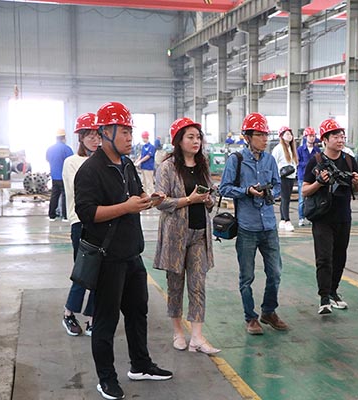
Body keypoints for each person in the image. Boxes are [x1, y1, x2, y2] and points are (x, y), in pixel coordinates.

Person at [74, 102, 172, 400]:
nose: (130, 137)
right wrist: (125, 207)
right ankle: (106, 379)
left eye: (130, 131)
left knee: (138, 311)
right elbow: (87, 214)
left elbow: (136, 195)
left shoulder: (127, 164)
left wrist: (149, 199)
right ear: (106, 132)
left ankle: (140, 365)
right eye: (124, 131)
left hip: (131, 254)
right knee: (106, 321)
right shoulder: (90, 170)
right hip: (107, 258)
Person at [154, 117, 220, 355]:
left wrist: (208, 199)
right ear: (178, 141)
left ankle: (197, 338)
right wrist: (189, 200)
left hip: (199, 234)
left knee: (198, 285)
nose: (196, 141)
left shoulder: (203, 164)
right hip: (176, 236)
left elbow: (211, 198)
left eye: (198, 137)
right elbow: (160, 202)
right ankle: (178, 332)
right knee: (175, 285)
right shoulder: (167, 167)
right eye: (190, 137)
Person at [219, 112, 289, 335]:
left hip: (269, 226)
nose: (265, 139)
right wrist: (246, 191)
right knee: (247, 276)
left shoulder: (269, 160)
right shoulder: (236, 160)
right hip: (247, 228)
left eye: (266, 134)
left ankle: (269, 311)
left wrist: (271, 193)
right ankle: (251, 317)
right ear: (247, 137)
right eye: (260, 134)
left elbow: (277, 185)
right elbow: (224, 188)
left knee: (275, 272)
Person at [302, 119, 358, 315]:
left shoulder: (349, 160)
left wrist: (357, 181)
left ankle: (333, 292)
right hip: (322, 217)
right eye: (336, 137)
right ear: (325, 139)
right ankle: (324, 298)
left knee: (340, 256)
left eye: (342, 137)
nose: (340, 140)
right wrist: (319, 182)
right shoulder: (316, 161)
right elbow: (304, 190)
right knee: (324, 258)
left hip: (343, 216)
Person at [61, 112, 101, 337]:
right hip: (81, 223)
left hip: (103, 222)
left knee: (101, 273)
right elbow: (83, 193)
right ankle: (68, 313)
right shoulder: (72, 162)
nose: (95, 140)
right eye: (90, 136)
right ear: (81, 138)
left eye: (98, 135)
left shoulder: (104, 160)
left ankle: (93, 318)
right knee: (83, 272)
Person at [272, 126, 298, 232]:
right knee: (285, 199)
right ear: (281, 136)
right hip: (283, 177)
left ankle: (283, 219)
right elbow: (273, 162)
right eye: (287, 134)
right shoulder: (278, 148)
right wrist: (278, 174)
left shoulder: (291, 148)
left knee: (285, 198)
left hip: (291, 176)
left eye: (290, 134)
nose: (289, 136)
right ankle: (287, 220)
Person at [46, 128, 73, 221]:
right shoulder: (66, 149)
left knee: (54, 195)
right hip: (64, 177)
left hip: (54, 176)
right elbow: (71, 161)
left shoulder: (50, 149)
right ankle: (65, 216)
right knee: (65, 196)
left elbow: (48, 159)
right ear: (64, 138)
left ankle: (52, 215)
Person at [296, 127, 321, 227]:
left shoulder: (317, 150)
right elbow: (298, 162)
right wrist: (309, 165)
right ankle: (301, 218)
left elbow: (320, 162)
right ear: (305, 137)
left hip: (314, 177)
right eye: (310, 136)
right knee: (302, 199)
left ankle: (311, 217)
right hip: (302, 177)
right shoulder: (300, 150)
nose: (312, 138)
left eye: (313, 136)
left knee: (314, 198)